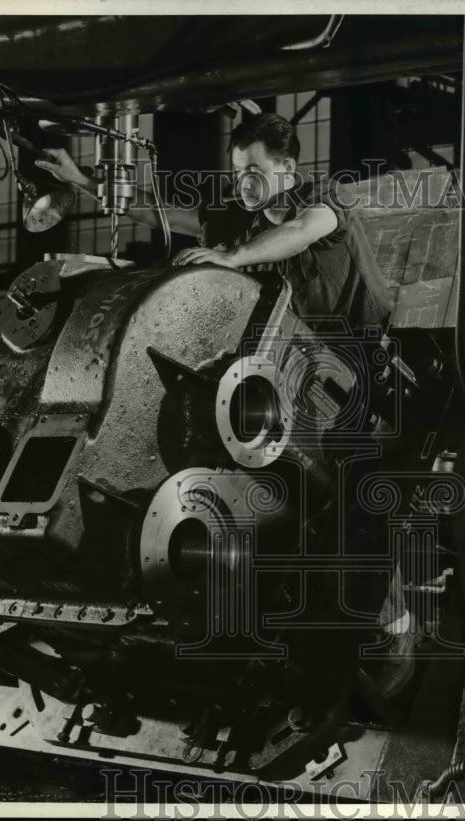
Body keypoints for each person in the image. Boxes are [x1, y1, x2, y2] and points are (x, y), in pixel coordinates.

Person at [36, 113, 415, 699]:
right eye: (238, 174)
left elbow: (300, 233)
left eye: (256, 173)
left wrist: (232, 259)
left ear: (288, 167)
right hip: (282, 379)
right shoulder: (242, 219)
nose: (244, 185)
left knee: (344, 510)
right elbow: (164, 215)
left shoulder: (324, 203)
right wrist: (87, 182)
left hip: (355, 378)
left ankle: (396, 633)